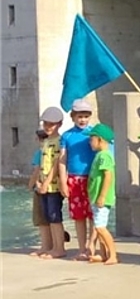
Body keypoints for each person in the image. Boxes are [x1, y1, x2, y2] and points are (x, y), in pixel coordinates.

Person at [57, 99, 96, 261]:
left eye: (86, 116)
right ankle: (81, 248)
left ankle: (92, 246)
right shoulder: (67, 136)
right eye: (80, 116)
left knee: (94, 214)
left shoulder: (94, 133)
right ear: (73, 116)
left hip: (93, 178)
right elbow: (62, 159)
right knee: (79, 216)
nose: (83, 119)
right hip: (74, 179)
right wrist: (63, 181)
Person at [85, 123, 118, 265]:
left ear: (100, 140)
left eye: (92, 139)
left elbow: (108, 176)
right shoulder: (99, 155)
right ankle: (103, 254)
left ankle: (113, 255)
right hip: (96, 197)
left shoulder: (104, 156)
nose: (89, 142)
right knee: (98, 227)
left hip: (102, 198)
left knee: (100, 227)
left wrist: (102, 196)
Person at [37, 107, 66, 259]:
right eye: (46, 124)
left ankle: (59, 248)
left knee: (55, 216)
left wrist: (46, 181)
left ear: (59, 124)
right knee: (49, 216)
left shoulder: (59, 141)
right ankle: (53, 246)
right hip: (44, 185)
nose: (48, 127)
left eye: (51, 124)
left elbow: (56, 163)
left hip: (53, 185)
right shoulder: (47, 141)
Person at [29, 130, 51, 257]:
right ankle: (51, 244)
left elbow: (36, 171)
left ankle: (45, 246)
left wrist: (30, 185)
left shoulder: (39, 153)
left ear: (38, 139)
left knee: (41, 219)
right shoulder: (53, 151)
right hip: (52, 187)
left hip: (39, 188)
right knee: (50, 218)